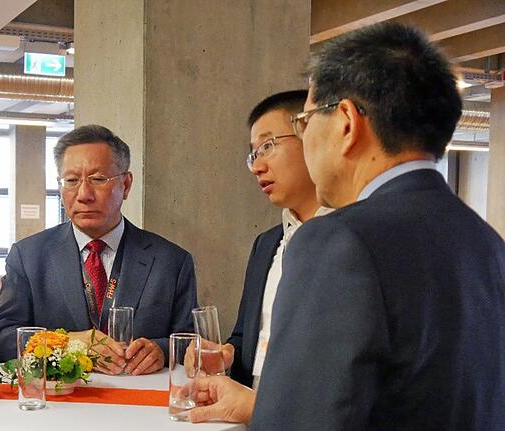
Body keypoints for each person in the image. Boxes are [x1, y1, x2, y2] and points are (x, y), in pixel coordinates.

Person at [190, 22, 505, 429]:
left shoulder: (340, 240)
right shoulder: (486, 242)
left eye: (304, 122)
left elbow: (301, 420)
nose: (305, 140)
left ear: (346, 122)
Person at [0, 124, 198, 375]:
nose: (84, 194)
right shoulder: (29, 256)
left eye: (98, 179)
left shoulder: (171, 261)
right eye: (72, 181)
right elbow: (0, 339)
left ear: (126, 184)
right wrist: (69, 343)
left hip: (141, 401)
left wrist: (161, 350)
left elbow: (191, 342)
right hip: (60, 404)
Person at [221, 90, 331, 388]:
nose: (258, 167)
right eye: (253, 154)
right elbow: (247, 335)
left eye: (268, 146)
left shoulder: (352, 239)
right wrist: (227, 354)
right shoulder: (267, 244)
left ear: (312, 135)